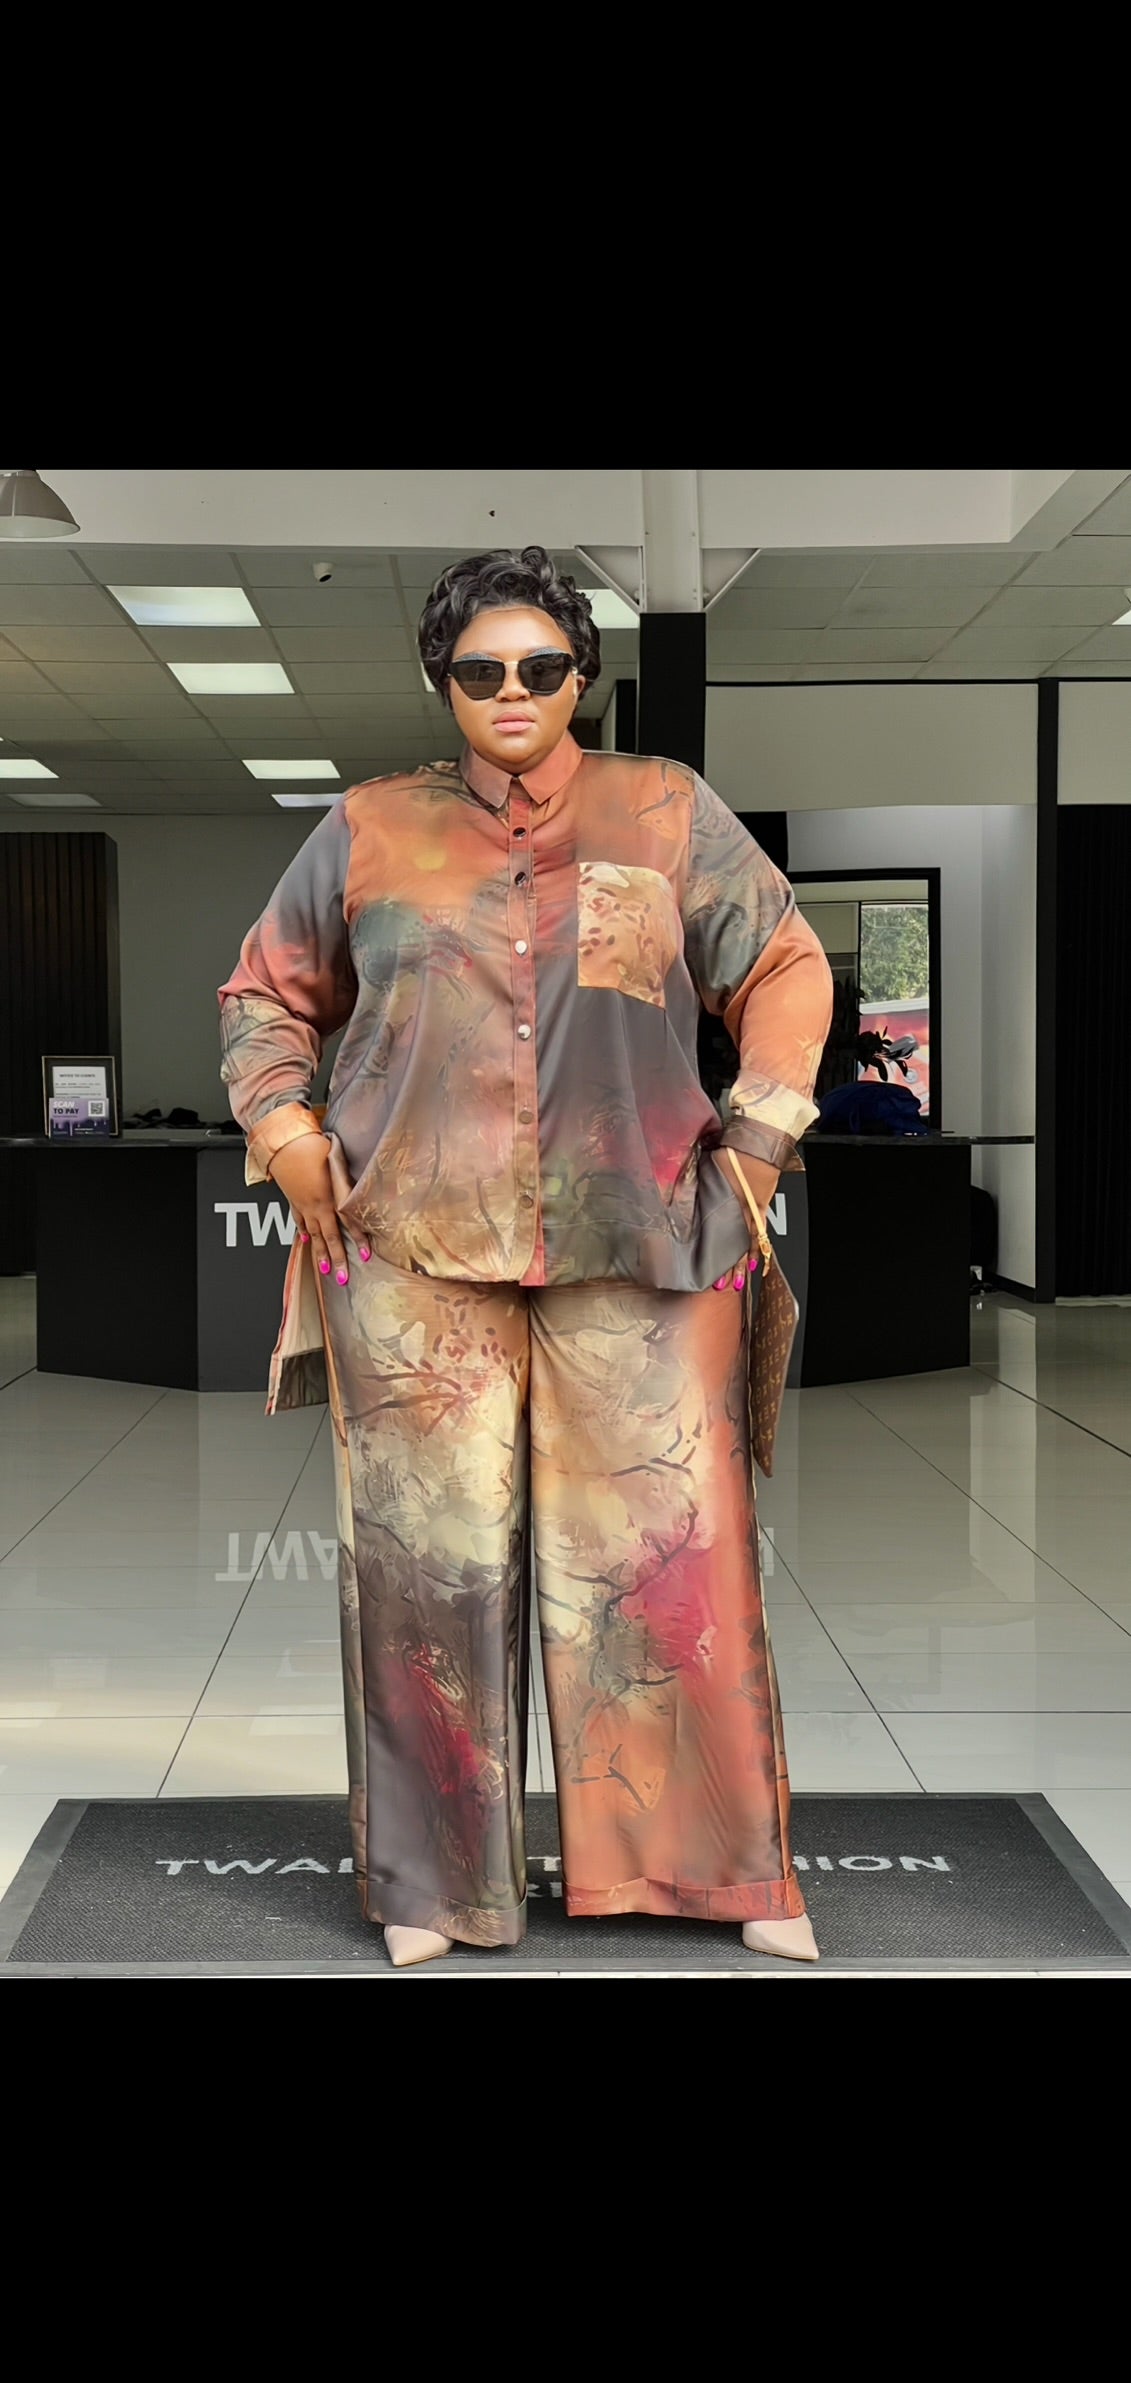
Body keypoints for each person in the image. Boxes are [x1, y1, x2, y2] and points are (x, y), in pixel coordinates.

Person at [218, 546, 833, 1969]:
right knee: (425, 1578)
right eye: (481, 669)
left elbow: (785, 964)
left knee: (669, 1573)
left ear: (581, 676)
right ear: (443, 683)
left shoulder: (665, 809)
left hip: (644, 1241)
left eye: (542, 666)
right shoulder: (371, 827)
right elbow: (265, 994)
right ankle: (434, 1891)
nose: (513, 690)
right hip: (412, 1254)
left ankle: (715, 1871)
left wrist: (758, 1137)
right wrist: (285, 1129)